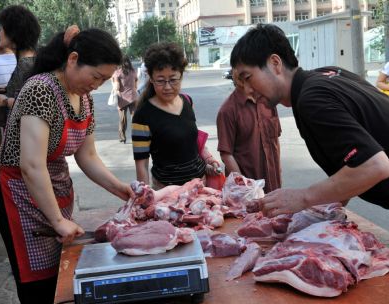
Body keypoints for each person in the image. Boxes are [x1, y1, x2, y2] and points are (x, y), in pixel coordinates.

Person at [230, 23, 389, 252]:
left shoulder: (312, 99)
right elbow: (352, 160)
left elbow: (375, 166)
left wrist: (304, 197)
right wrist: (323, 212)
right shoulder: (326, 75)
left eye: (247, 77)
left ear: (275, 63)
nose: (247, 90)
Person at [0, 26, 134, 304]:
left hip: (56, 194)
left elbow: (89, 157)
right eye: (95, 76)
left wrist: (120, 188)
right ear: (72, 59)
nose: (97, 84)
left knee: (63, 281)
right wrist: (57, 221)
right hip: (22, 199)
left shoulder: (84, 98)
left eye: (105, 79)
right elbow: (31, 165)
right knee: (40, 292)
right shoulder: (40, 90)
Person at [131, 42, 220, 189]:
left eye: (173, 79)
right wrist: (145, 198)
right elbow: (142, 163)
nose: (167, 87)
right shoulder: (143, 115)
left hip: (200, 185)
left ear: (181, 76)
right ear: (151, 79)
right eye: (160, 80)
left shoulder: (187, 101)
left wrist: (208, 159)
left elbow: (193, 139)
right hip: (168, 191)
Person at [217, 69, 281, 192]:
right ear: (236, 80)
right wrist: (244, 186)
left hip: (273, 184)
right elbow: (226, 154)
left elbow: (275, 140)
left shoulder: (268, 101)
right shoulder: (227, 111)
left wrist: (278, 173)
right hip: (246, 189)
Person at [0, 5, 40, 127]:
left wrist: (5, 101)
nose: (0, 32)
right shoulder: (33, 61)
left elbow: (31, 107)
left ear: (12, 33)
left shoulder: (26, 66)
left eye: (2, 27)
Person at [111, 55, 137, 143]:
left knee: (123, 119)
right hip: (133, 97)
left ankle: (122, 137)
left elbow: (117, 87)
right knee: (134, 118)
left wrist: (112, 82)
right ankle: (136, 136)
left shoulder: (117, 73)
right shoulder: (133, 71)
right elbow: (136, 83)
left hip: (122, 98)